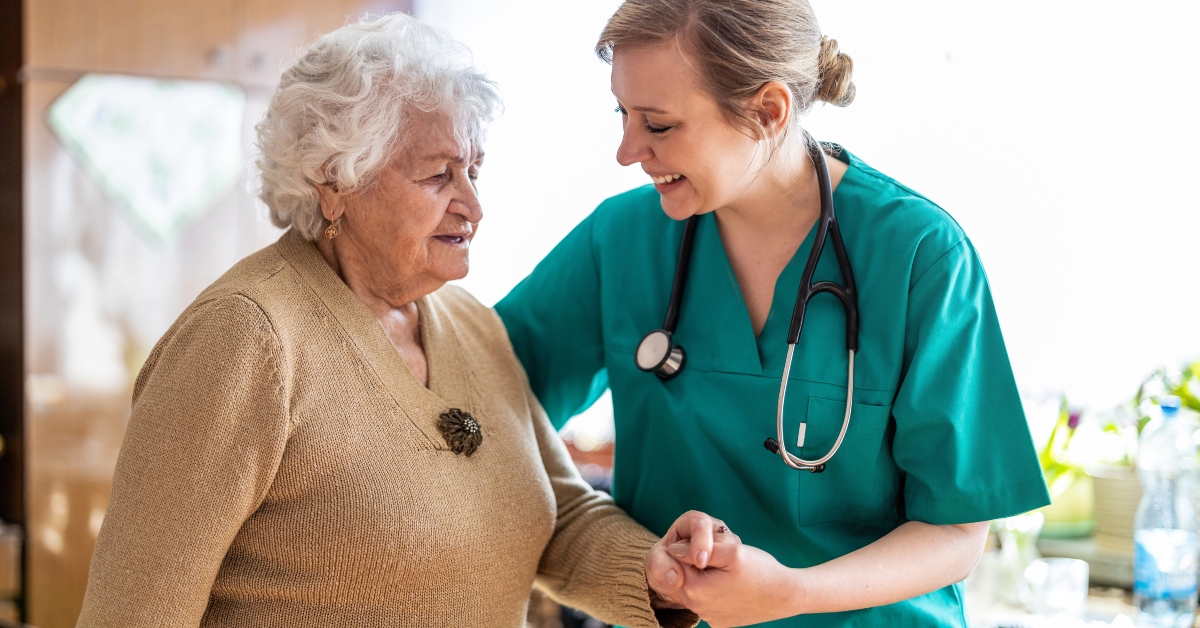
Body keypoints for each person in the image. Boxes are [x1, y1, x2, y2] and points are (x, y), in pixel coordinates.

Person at [76, 14, 715, 628]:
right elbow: (134, 613)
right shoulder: (246, 338)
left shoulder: (469, 325)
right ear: (334, 182)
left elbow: (557, 513)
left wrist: (654, 572)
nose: (473, 205)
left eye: (475, 170)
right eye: (438, 175)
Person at [495, 1, 1051, 626]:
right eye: (622, 115)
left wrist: (791, 592)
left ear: (768, 111)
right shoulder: (619, 241)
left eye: (658, 124)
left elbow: (956, 532)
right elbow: (478, 392)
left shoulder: (919, 255)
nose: (626, 151)